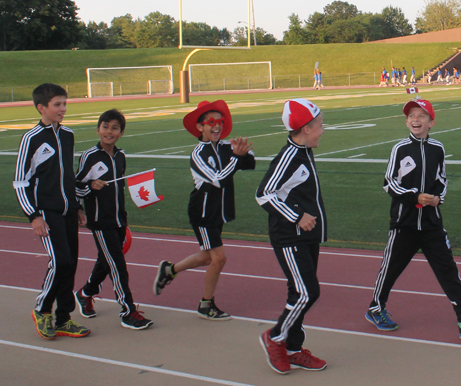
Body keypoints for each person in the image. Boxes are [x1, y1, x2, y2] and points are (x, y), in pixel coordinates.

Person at [365, 98, 461, 340]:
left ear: (431, 122)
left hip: (432, 224)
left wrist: (437, 199)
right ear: (406, 121)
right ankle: (375, 309)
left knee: (448, 271)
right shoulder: (400, 149)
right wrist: (415, 196)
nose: (415, 119)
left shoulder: (438, 149)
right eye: (411, 115)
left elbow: (442, 179)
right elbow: (389, 183)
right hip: (405, 224)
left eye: (421, 116)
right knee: (390, 269)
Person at [153, 100, 255, 320]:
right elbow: (217, 179)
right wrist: (236, 158)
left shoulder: (226, 147)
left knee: (206, 257)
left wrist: (243, 154)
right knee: (219, 258)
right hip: (204, 211)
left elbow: (250, 163)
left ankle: (169, 270)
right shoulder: (198, 154)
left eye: (220, 121)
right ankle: (206, 305)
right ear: (200, 127)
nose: (216, 125)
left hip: (220, 210)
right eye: (211, 121)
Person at [13, 83, 90, 340]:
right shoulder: (31, 138)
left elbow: (67, 175)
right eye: (57, 104)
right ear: (41, 108)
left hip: (68, 210)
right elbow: (21, 181)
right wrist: (33, 216)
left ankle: (64, 319)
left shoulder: (67, 135)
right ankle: (42, 309)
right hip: (46, 212)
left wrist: (77, 206)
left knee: (70, 264)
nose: (63, 109)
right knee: (59, 261)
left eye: (64, 104)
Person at [256, 98, 328, 374]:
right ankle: (274, 338)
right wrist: (296, 215)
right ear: (307, 128)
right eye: (320, 125)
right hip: (289, 237)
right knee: (308, 292)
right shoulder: (289, 157)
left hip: (305, 236)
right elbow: (263, 194)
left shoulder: (303, 152)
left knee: (298, 292)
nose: (323, 130)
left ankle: (294, 348)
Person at [74, 109, 153, 330]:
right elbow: (75, 185)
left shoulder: (120, 156)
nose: (109, 131)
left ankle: (85, 292)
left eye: (114, 128)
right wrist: (90, 186)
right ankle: (128, 311)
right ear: (98, 129)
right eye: (105, 126)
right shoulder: (90, 156)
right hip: (100, 221)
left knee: (106, 260)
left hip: (119, 219)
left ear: (121, 132)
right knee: (117, 265)